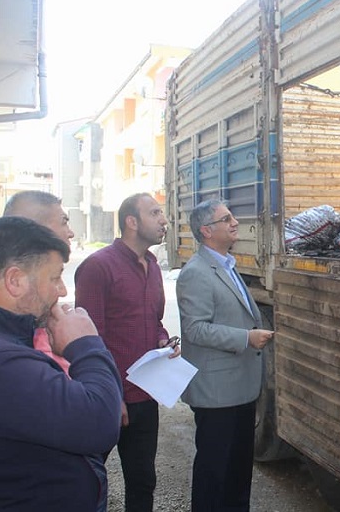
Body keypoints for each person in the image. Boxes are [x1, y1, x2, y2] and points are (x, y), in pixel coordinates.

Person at [0, 217, 123, 512]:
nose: (62, 291)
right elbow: (100, 422)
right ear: (15, 280)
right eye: (55, 277)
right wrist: (86, 344)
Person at [74, 192, 180, 512]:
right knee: (84, 478)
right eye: (155, 213)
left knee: (143, 480)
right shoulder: (98, 266)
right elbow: (88, 338)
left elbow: (154, 320)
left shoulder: (151, 265)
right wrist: (110, 393)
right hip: (109, 398)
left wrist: (162, 341)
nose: (164, 220)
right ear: (131, 222)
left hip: (146, 394)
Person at [176, 199, 274, 512]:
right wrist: (245, 338)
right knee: (214, 473)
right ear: (207, 231)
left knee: (237, 472)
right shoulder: (196, 273)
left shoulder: (227, 265)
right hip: (217, 394)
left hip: (240, 388)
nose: (234, 223)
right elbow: (196, 330)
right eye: (225, 218)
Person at [4, 190, 75, 372]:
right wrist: (87, 346)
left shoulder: (38, 322)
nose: (71, 233)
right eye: (64, 222)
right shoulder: (5, 351)